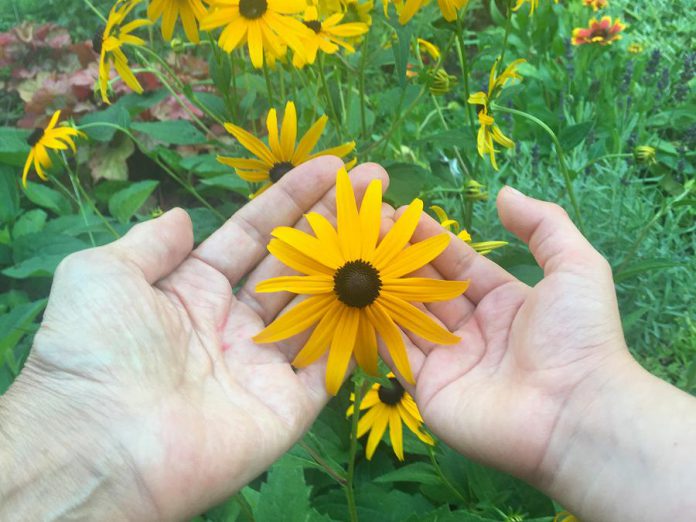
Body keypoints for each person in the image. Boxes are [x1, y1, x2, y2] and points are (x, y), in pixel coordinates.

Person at [0, 157, 694, 521]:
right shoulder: (337, 311)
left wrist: (581, 405)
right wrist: (84, 431)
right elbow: (324, 317)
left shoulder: (394, 313)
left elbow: (394, 316)